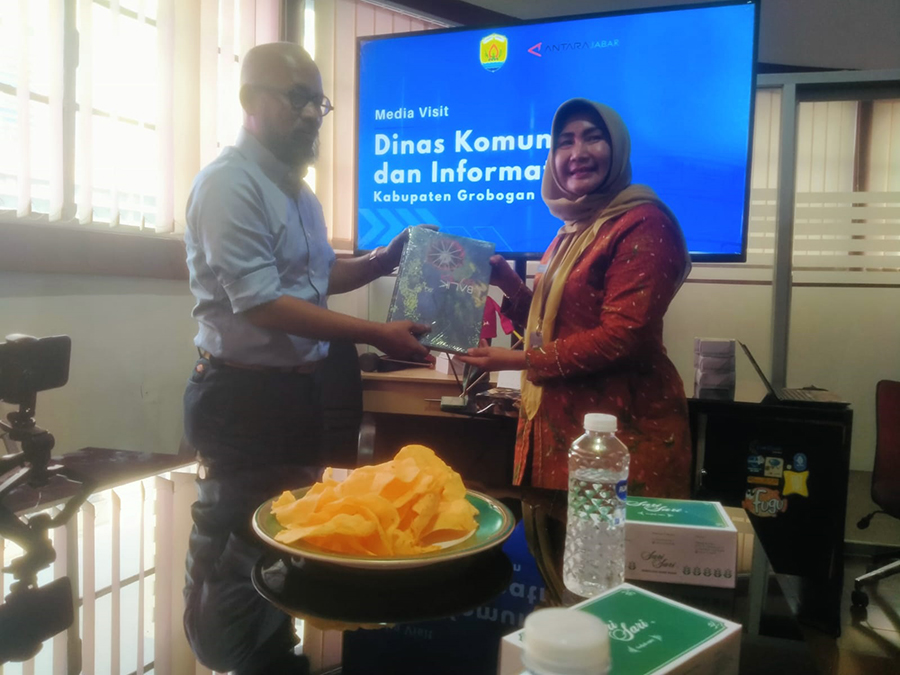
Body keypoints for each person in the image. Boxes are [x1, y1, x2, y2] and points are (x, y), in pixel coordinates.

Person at [181, 42, 432, 674]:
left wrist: (381, 261)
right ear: (250, 99)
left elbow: (316, 279)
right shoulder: (228, 184)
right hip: (238, 397)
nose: (312, 114)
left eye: (318, 102)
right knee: (232, 542)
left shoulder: (298, 193)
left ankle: (273, 652)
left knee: (285, 531)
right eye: (298, 99)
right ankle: (223, 656)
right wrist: (376, 334)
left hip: (297, 394)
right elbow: (263, 304)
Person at [458, 98, 692, 499]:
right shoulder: (573, 229)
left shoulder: (643, 222)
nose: (577, 153)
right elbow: (557, 324)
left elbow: (623, 336)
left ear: (617, 149)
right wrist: (509, 285)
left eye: (593, 138)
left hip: (620, 436)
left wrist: (518, 361)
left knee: (603, 541)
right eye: (565, 142)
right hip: (559, 430)